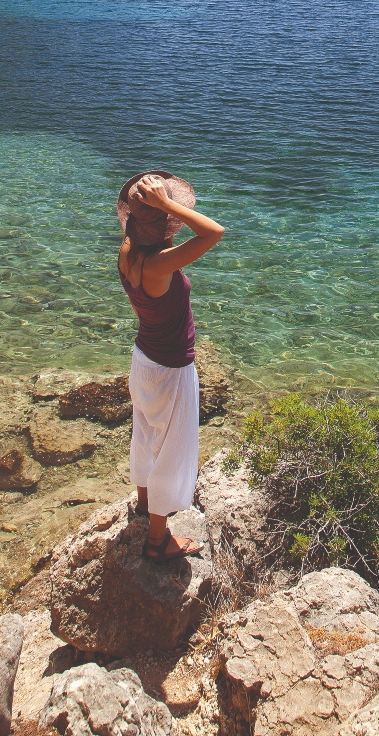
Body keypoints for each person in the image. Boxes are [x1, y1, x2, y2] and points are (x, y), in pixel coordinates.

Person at [116, 169, 225, 563]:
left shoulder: (127, 252)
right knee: (172, 452)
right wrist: (165, 203)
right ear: (166, 223)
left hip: (143, 358)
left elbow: (142, 230)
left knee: (146, 435)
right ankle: (158, 541)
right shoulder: (159, 265)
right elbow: (214, 233)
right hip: (170, 368)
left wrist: (152, 210)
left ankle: (145, 505)